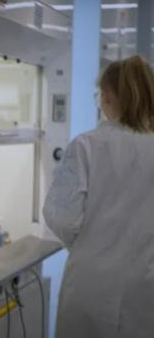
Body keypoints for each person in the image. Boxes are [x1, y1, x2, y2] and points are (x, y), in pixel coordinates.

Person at [43, 55, 154, 338]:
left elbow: (62, 219)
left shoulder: (86, 147)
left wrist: (94, 244)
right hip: (146, 292)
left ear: (106, 97)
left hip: (91, 289)